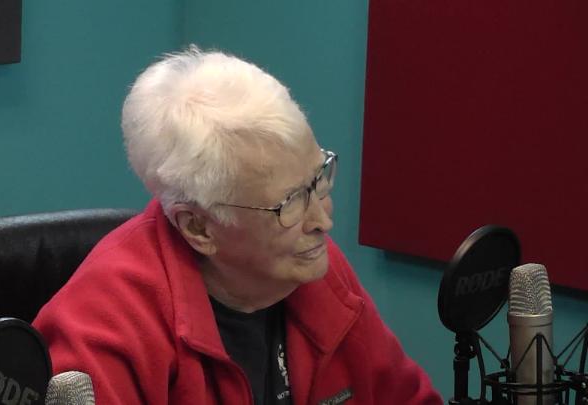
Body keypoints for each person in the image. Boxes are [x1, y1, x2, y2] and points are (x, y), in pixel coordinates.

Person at [33, 47, 442, 405]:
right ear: (199, 228)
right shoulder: (104, 329)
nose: (322, 220)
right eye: (290, 204)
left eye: (319, 179)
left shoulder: (315, 268)